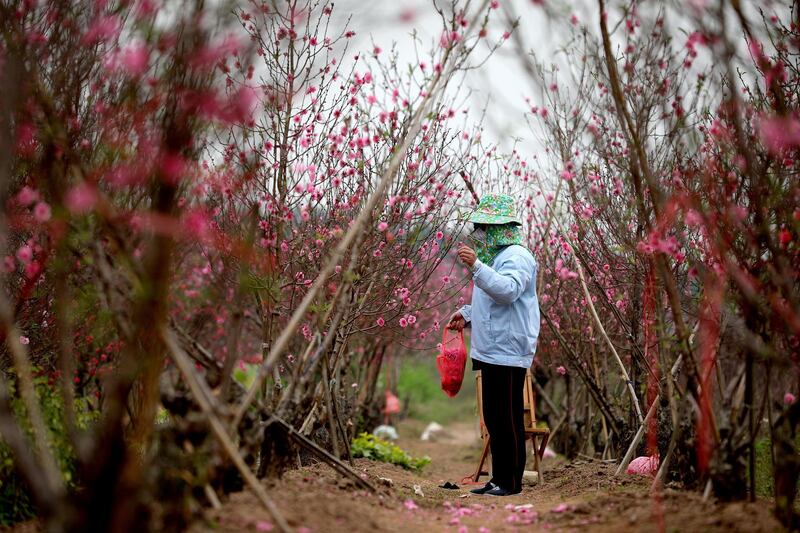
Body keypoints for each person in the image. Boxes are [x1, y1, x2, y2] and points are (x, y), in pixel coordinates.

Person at [447, 193, 540, 497]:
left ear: (500, 228)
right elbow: (492, 304)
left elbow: (508, 292)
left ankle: (508, 483)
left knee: (502, 416)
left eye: (485, 228)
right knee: (501, 416)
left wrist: (476, 266)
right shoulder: (498, 258)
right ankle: (501, 478)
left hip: (506, 349)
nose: (480, 235)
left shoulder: (516, 256)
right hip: (496, 347)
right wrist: (467, 315)